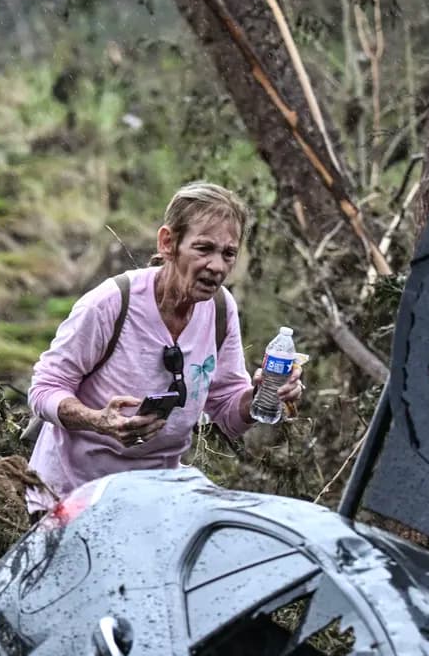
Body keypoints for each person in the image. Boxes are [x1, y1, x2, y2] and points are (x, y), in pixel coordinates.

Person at [23, 182, 301, 516]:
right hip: (71, 496)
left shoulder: (220, 309)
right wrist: (99, 421)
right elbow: (44, 389)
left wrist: (261, 396)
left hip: (151, 500)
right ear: (168, 243)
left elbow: (227, 411)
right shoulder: (111, 304)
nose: (217, 266)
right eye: (204, 249)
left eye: (228, 254)